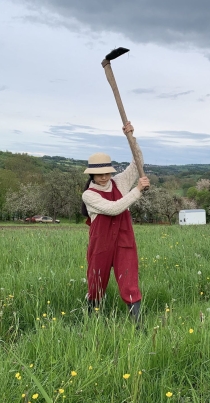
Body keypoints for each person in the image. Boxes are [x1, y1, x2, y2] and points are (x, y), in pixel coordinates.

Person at [81, 122, 150, 323]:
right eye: (99, 174)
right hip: (100, 243)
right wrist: (137, 190)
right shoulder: (89, 195)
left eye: (107, 173)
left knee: (129, 280)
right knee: (96, 281)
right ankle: (92, 319)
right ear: (91, 174)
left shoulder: (119, 181)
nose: (104, 177)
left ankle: (138, 326)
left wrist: (132, 138)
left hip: (123, 239)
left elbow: (137, 163)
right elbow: (114, 209)